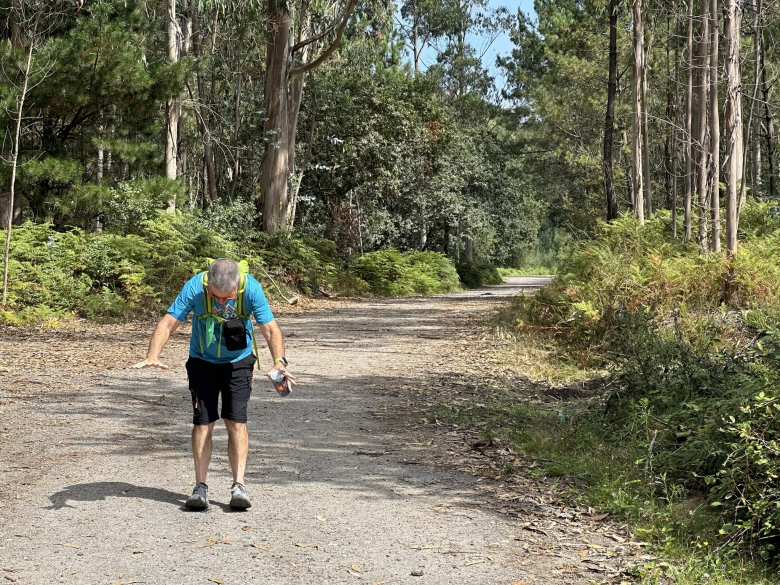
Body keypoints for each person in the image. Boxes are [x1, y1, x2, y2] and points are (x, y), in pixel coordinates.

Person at [132, 259, 295, 511]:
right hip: (202, 361)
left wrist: (279, 362)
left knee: (236, 421)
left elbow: (270, 329)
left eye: (226, 297)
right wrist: (153, 355)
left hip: (239, 362)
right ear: (208, 284)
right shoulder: (195, 287)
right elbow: (169, 322)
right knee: (203, 422)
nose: (220, 302)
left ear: (237, 286)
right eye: (215, 297)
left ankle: (239, 485)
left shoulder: (251, 288)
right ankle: (200, 487)